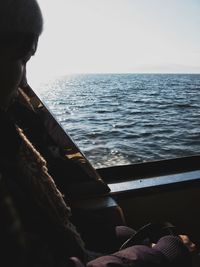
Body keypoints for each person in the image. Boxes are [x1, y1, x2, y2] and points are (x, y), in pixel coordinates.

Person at [0, 0, 197, 266]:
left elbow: (40, 226)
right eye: (22, 58)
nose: (24, 81)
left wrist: (97, 231)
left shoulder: (10, 139)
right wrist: (164, 254)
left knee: (123, 233)